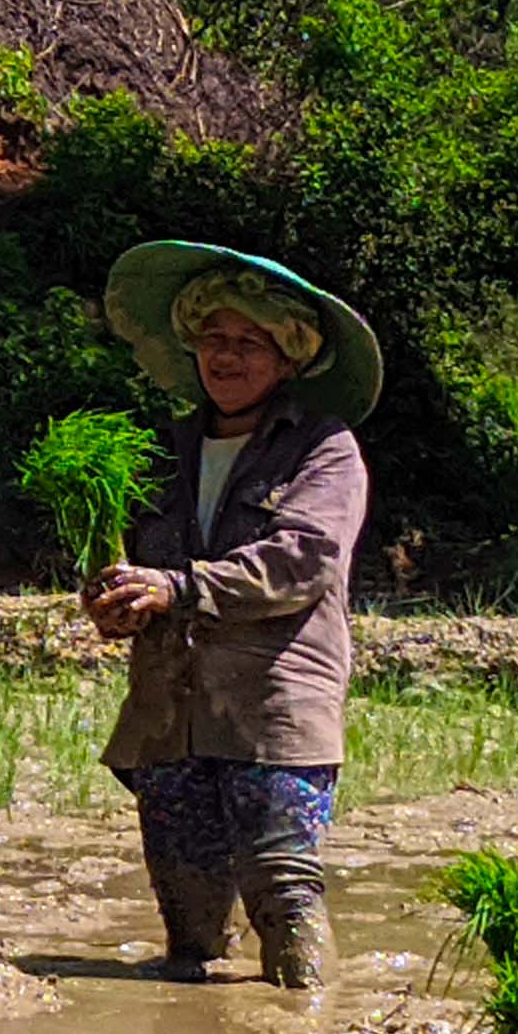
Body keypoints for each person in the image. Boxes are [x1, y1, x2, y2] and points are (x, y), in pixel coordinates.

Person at [81, 242, 381, 988]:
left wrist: (179, 588)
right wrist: (112, 599)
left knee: (284, 895)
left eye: (250, 342)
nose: (228, 356)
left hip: (273, 709)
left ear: (287, 357)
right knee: (187, 921)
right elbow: (126, 565)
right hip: (168, 714)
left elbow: (304, 560)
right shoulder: (156, 450)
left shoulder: (322, 450)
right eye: (214, 338)